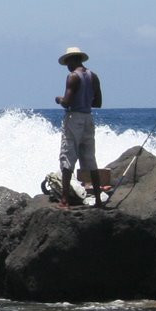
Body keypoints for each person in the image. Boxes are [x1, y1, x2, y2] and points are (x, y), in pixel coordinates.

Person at [54, 46, 102, 207]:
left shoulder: (73, 77)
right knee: (90, 159)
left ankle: (64, 200)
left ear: (73, 60)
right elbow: (98, 103)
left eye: (68, 62)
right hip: (88, 118)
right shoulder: (93, 76)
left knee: (68, 157)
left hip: (74, 117)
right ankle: (98, 199)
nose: (67, 66)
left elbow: (66, 102)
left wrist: (59, 99)